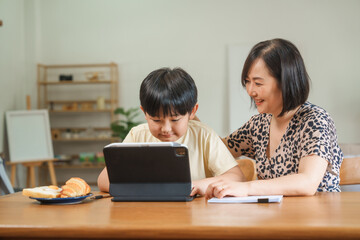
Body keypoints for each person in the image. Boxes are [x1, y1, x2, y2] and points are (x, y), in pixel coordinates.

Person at [205, 38, 343, 199]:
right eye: (248, 82)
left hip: (317, 218)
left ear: (285, 82)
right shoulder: (259, 124)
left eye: (258, 83)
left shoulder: (315, 121)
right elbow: (217, 149)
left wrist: (246, 187)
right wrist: (186, 119)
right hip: (274, 218)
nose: (250, 91)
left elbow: (307, 182)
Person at [97, 67, 245, 194]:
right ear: (144, 112)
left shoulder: (203, 135)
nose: (166, 129)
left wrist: (196, 185)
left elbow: (236, 177)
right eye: (156, 120)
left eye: (175, 120)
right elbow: (104, 180)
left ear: (192, 112)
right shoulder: (137, 135)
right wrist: (148, 190)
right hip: (147, 214)